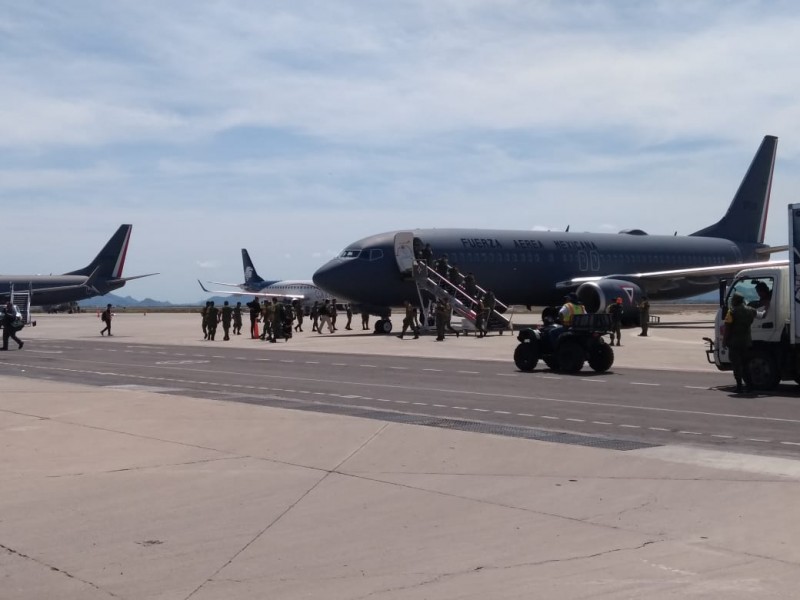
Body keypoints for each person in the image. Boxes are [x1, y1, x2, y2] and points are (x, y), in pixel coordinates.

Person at [722, 292, 756, 393]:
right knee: (746, 365)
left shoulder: (731, 312)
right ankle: (750, 386)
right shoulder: (751, 311)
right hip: (746, 342)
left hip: (734, 343)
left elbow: (727, 329)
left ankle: (739, 386)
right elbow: (761, 315)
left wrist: (724, 342)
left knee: (737, 365)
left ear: (735, 301)